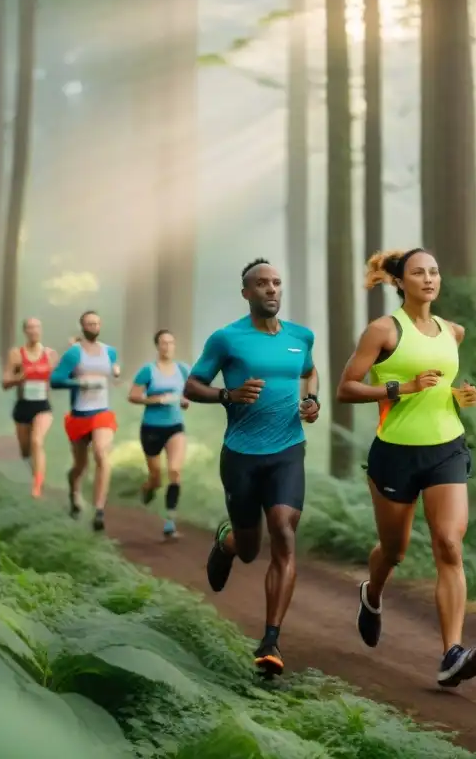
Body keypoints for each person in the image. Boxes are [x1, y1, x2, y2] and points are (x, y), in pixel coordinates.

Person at [335, 247, 476, 688]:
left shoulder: (452, 332)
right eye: (419, 272)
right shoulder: (382, 331)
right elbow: (346, 388)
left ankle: (451, 654)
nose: (429, 279)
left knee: (449, 544)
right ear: (400, 282)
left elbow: (441, 387)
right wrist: (401, 388)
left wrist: (459, 395)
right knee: (394, 551)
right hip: (396, 454)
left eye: (435, 271)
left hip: (446, 449)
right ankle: (373, 593)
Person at [184, 258, 320, 677]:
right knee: (248, 549)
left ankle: (271, 640)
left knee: (283, 530)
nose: (271, 289)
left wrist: (313, 401)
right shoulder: (227, 339)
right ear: (246, 292)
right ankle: (227, 542)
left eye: (277, 282)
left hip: (287, 450)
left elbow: (310, 373)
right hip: (241, 454)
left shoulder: (301, 337)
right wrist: (228, 395)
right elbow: (192, 384)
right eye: (262, 284)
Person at [49, 310, 121, 531]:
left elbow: (114, 368)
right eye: (90, 323)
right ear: (82, 326)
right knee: (80, 466)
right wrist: (79, 384)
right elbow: (55, 380)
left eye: (97, 323)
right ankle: (74, 494)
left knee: (101, 453)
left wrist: (116, 371)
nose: (94, 327)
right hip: (80, 414)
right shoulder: (74, 354)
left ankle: (99, 510)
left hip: (102, 413)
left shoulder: (110, 352)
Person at [128, 329, 191, 540]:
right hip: (152, 428)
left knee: (174, 471)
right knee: (156, 478)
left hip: (175, 426)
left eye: (171, 343)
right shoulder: (148, 370)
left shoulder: (182, 369)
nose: (167, 347)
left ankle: (170, 521)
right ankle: (148, 488)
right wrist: (154, 400)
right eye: (163, 343)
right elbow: (133, 396)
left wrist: (184, 400)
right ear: (157, 346)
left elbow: (189, 392)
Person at [0, 317, 56, 498]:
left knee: (37, 441)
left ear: (41, 330)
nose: (34, 331)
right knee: (25, 451)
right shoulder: (16, 354)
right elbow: (5, 382)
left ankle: (37, 487)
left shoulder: (50, 354)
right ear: (25, 331)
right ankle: (35, 474)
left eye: (37, 327)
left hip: (43, 406)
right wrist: (19, 379)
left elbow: (59, 378)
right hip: (23, 406)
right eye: (30, 328)